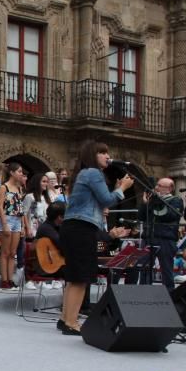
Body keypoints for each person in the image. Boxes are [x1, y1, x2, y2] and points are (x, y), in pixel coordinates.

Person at [58, 141, 133, 335]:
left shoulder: (84, 174)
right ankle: (72, 323)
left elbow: (101, 201)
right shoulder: (92, 173)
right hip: (81, 228)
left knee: (74, 277)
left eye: (108, 153)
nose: (107, 156)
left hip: (74, 227)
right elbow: (107, 200)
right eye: (102, 153)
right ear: (92, 156)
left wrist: (115, 190)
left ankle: (65, 319)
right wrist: (122, 187)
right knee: (81, 278)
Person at [137, 177, 184, 290]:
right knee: (144, 266)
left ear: (169, 189)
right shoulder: (152, 201)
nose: (156, 188)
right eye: (156, 185)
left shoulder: (176, 200)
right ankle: (143, 292)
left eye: (160, 186)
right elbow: (141, 217)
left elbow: (169, 215)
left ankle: (169, 294)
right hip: (149, 237)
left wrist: (156, 201)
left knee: (166, 268)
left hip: (166, 239)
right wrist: (145, 204)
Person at [0, 163, 27, 289]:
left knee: (13, 252)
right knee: (5, 252)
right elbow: (0, 205)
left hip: (17, 219)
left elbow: (21, 207)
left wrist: (23, 226)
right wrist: (4, 223)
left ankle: (10, 278)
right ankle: (4, 279)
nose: (21, 174)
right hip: (7, 219)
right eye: (19, 172)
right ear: (12, 172)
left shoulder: (19, 188)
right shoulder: (4, 187)